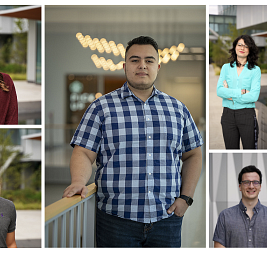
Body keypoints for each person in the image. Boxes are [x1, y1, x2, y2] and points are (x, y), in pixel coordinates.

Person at [63, 36, 203, 247]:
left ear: (158, 66)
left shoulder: (178, 109)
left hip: (167, 220)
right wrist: (78, 182)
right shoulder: (101, 108)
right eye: (135, 60)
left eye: (148, 60)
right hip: (115, 221)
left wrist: (186, 198)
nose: (142, 66)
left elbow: (193, 153)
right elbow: (83, 152)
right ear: (125, 66)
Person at [216, 35, 261, 149]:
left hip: (247, 115)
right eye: (240, 45)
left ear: (250, 50)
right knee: (230, 151)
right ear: (235, 47)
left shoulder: (255, 70)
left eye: (246, 46)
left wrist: (230, 95)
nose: (242, 48)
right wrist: (241, 92)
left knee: (250, 150)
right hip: (228, 116)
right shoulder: (226, 68)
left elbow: (254, 96)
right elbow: (219, 91)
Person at [213, 165, 267, 247]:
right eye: (246, 182)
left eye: (255, 182)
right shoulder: (225, 216)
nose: (251, 186)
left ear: (260, 187)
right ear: (240, 187)